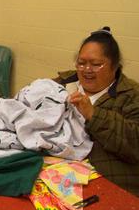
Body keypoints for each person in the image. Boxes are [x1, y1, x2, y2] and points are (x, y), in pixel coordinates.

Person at [54, 27, 139, 196]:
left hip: (102, 181)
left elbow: (135, 144)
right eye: (81, 63)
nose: (86, 70)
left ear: (114, 66)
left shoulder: (130, 95)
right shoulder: (65, 82)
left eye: (96, 64)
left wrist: (93, 114)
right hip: (57, 169)